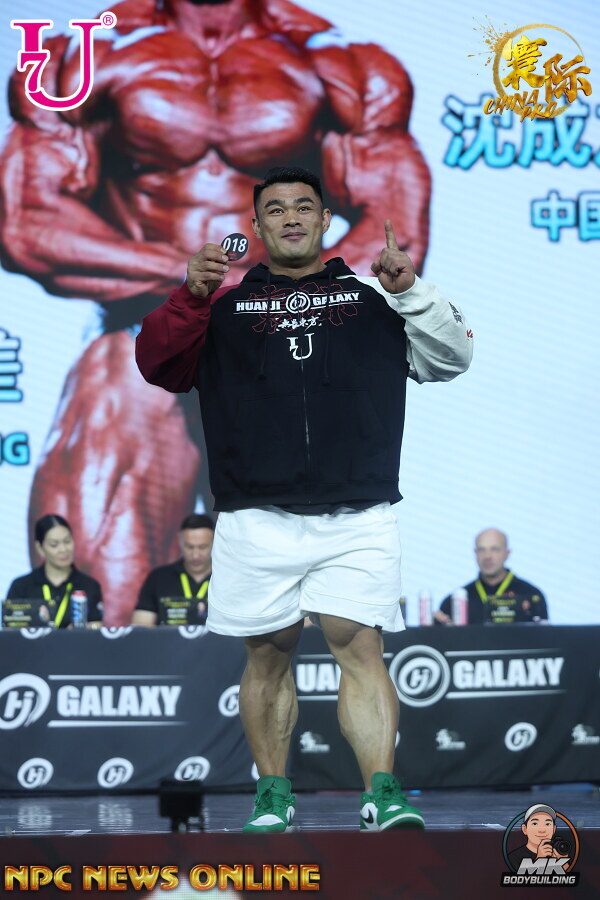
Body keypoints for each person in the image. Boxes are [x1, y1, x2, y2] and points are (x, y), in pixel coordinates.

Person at [0, 0, 431, 625]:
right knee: (115, 415)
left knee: (325, 592)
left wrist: (274, 294)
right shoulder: (87, 56)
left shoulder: (341, 64)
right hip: (152, 332)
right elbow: (28, 222)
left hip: (289, 338)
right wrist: (201, 282)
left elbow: (395, 232)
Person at [136, 165, 472, 831]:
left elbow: (452, 358)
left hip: (358, 513)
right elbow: (156, 364)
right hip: (255, 515)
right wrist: (191, 297)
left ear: (324, 220)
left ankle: (382, 792)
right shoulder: (222, 309)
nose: (291, 216)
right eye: (276, 209)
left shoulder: (375, 301)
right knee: (267, 656)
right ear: (256, 227)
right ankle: (273, 794)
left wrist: (411, 292)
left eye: (303, 206)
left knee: (362, 650)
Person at [6, 515, 103, 628]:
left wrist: (82, 629)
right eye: (54, 545)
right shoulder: (21, 586)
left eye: (67, 541)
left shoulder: (89, 585)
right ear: (40, 548)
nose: (63, 549)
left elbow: (97, 626)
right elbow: (10, 630)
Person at [435, 528, 548, 625]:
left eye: (494, 549)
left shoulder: (531, 596)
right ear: (475, 553)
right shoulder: (455, 601)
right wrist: (436, 628)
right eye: (481, 550)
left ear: (507, 553)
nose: (487, 556)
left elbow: (544, 640)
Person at [132, 513, 214, 626]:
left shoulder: (227, 579)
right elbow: (141, 626)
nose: (195, 555)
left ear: (214, 543)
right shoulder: (159, 578)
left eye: (202, 547)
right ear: (180, 541)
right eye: (189, 547)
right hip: (167, 638)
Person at [507, 805, 569, 870]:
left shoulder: (558, 852)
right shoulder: (514, 857)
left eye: (547, 824)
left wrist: (563, 862)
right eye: (535, 824)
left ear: (554, 829)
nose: (542, 830)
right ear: (525, 829)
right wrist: (539, 860)